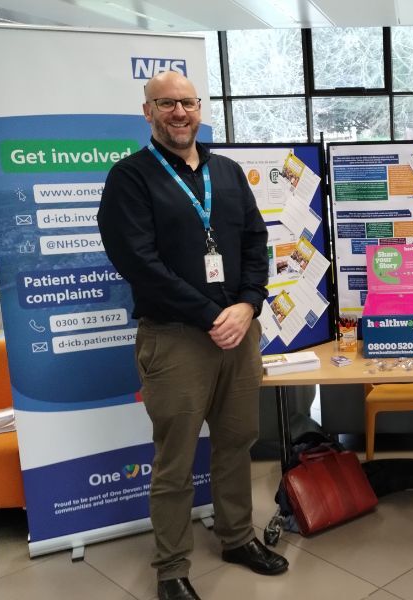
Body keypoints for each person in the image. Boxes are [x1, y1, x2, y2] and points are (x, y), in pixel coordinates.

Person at [98, 72, 288, 600]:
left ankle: (235, 538)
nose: (178, 112)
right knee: (176, 458)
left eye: (186, 102)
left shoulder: (225, 172)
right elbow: (139, 263)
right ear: (148, 111)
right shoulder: (130, 179)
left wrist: (249, 304)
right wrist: (212, 314)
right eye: (166, 104)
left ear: (199, 107)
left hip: (239, 333)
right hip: (177, 337)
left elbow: (256, 242)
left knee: (235, 444)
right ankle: (172, 567)